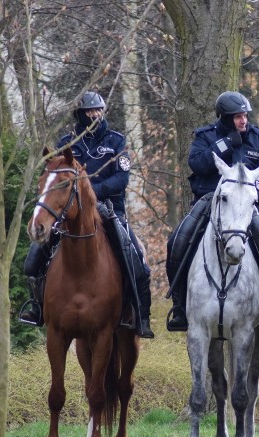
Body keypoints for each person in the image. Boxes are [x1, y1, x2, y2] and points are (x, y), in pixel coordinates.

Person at [19, 91, 155, 339]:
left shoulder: (117, 141)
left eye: (97, 110)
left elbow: (121, 179)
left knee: (136, 259)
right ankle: (37, 308)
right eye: (89, 111)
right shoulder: (67, 142)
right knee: (32, 261)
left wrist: (90, 192)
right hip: (70, 214)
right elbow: (56, 179)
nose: (94, 115)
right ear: (80, 114)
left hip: (109, 210)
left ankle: (139, 314)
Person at [165, 91, 259, 332]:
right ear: (224, 118)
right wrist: (227, 143)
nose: (243, 120)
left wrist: (257, 187)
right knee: (176, 242)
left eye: (245, 115)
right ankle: (180, 307)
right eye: (237, 117)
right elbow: (197, 164)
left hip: (246, 204)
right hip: (209, 201)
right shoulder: (205, 136)